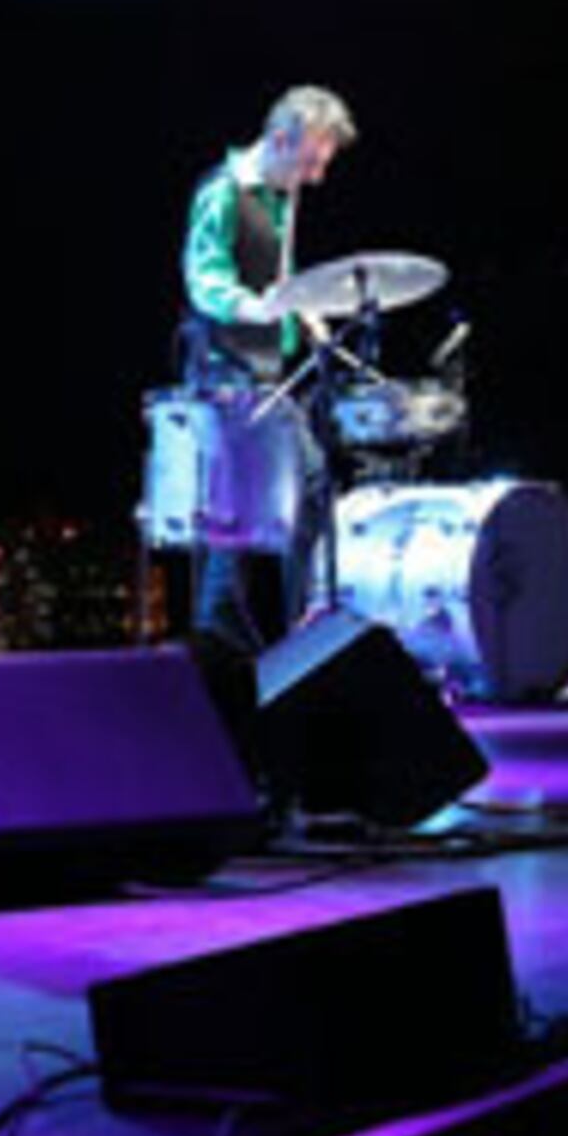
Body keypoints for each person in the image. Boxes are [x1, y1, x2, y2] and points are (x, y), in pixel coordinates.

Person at [169, 85, 356, 705]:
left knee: (259, 514)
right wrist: (258, 307)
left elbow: (279, 274)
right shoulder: (222, 191)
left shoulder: (281, 198)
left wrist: (304, 314)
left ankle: (233, 647)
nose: (317, 175)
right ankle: (246, 645)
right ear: (280, 140)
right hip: (223, 369)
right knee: (263, 506)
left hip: (264, 370)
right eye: (310, 161)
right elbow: (205, 278)